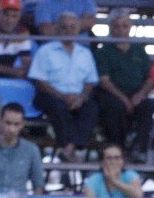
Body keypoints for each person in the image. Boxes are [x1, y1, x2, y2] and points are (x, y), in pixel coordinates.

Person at [28, 12, 100, 162]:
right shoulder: (45, 51)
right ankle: (67, 145)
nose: (68, 31)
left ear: (78, 30)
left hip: (77, 97)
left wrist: (81, 98)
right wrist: (62, 96)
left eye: (72, 27)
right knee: (58, 107)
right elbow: (39, 80)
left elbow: (91, 81)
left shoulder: (85, 53)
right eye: (64, 27)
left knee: (92, 108)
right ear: (57, 29)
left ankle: (71, 147)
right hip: (50, 95)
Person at [94, 9, 154, 163]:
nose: (121, 30)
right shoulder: (103, 52)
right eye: (117, 26)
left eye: (124, 26)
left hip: (135, 93)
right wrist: (124, 99)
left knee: (147, 106)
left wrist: (141, 94)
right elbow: (104, 81)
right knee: (115, 106)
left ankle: (138, 148)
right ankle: (118, 149)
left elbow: (150, 78)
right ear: (110, 28)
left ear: (130, 28)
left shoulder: (139, 51)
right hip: (112, 94)